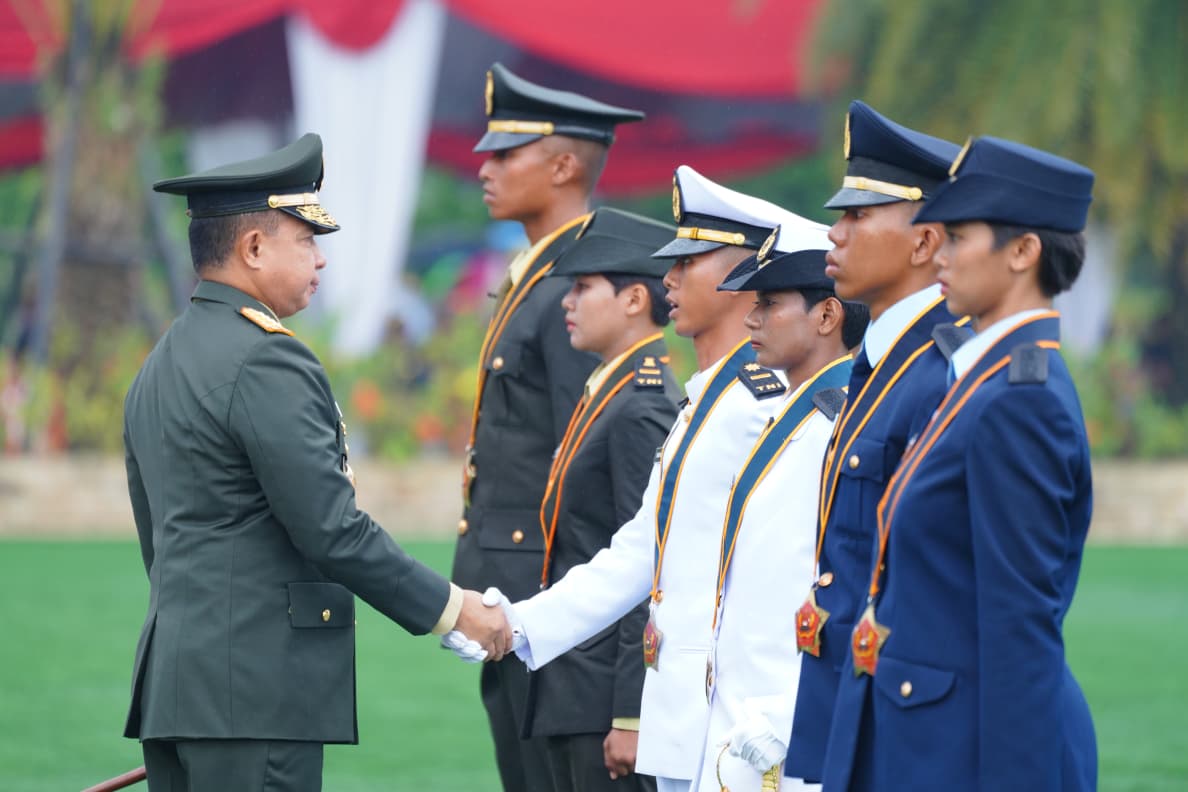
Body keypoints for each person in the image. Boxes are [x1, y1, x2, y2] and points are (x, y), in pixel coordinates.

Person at [121, 134, 510, 792]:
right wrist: (453, 608)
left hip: (180, 692)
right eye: (305, 240)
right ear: (252, 248)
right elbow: (332, 530)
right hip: (255, 694)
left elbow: (159, 542)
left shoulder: (160, 364)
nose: (321, 258)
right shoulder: (266, 356)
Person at [478, 166, 806, 792]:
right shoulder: (707, 400)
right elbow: (641, 551)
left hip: (738, 723)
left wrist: (779, 710)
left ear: (745, 273)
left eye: (689, 261)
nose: (669, 279)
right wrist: (516, 625)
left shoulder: (758, 407)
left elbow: (785, 576)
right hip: (687, 718)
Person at [821, 136, 1098, 791]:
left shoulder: (1019, 401)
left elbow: (1019, 623)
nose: (938, 254)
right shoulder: (981, 381)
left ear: (1023, 252)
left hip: (967, 753)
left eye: (959, 237)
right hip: (927, 741)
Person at [451, 61, 646, 791]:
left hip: (550, 608)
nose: (485, 168)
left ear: (564, 166)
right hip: (517, 601)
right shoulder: (540, 277)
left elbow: (591, 471)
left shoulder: (576, 289)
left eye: (507, 154)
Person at [784, 100, 971, 786]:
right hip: (848, 702)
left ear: (924, 244)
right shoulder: (880, 363)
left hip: (906, 725)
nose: (835, 234)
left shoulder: (941, 372)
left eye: (859, 216)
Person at [687, 220, 869, 792]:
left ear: (827, 315)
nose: (751, 319)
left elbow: (847, 583)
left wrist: (790, 712)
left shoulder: (843, 423)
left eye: (769, 304)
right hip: (745, 719)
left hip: (788, 726)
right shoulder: (789, 413)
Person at [527, 207, 681, 792]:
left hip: (600, 700)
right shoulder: (610, 391)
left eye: (583, 287)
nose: (567, 303)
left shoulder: (641, 405)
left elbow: (647, 563)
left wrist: (629, 712)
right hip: (573, 684)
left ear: (634, 299)